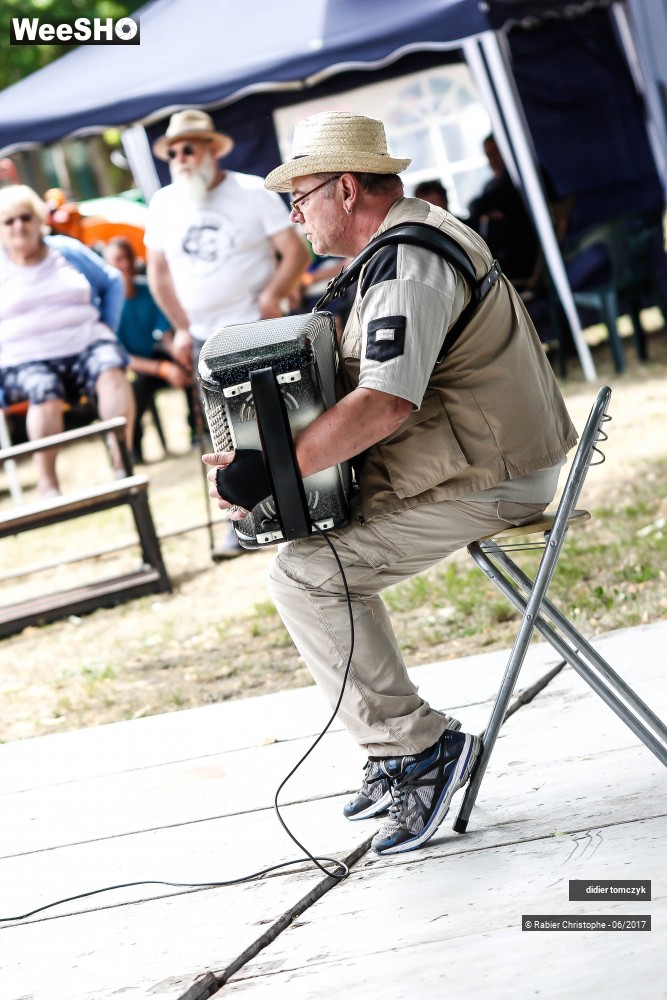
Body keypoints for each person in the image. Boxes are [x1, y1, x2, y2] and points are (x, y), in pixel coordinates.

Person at [203, 112, 577, 856]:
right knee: (310, 554)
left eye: (301, 197)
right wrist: (271, 461)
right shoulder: (402, 246)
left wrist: (266, 469)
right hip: (484, 459)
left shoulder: (408, 263)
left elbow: (384, 403)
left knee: (305, 572)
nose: (295, 216)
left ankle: (418, 750)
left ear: (346, 189)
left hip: (494, 475)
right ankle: (394, 747)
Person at [144, 109, 310, 554]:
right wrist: (181, 327)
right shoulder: (163, 203)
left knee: (279, 418)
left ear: (211, 149)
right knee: (223, 433)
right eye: (173, 152)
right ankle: (241, 521)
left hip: (255, 328)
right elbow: (158, 273)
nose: (179, 158)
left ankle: (303, 502)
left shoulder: (251, 191)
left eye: (188, 149)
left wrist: (274, 294)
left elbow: (295, 251)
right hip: (202, 337)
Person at [0, 184, 135, 497]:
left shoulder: (65, 250)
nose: (18, 226)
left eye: (25, 217)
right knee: (43, 388)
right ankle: (48, 484)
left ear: (39, 221)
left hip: (85, 344)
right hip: (25, 359)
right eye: (9, 221)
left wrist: (106, 327)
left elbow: (112, 280)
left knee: (110, 367)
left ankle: (122, 466)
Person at [103, 237, 196, 464]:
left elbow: (164, 333)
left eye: (127, 258)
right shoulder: (108, 304)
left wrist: (177, 355)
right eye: (117, 260)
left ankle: (197, 430)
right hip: (133, 367)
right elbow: (121, 356)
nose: (125, 265)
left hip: (155, 354)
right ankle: (133, 449)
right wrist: (164, 369)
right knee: (136, 386)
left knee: (189, 364)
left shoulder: (148, 290)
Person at [467, 134, 540, 286]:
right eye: (489, 155)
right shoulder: (491, 186)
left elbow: (482, 206)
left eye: (496, 152)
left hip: (524, 258)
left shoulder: (526, 179)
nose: (492, 159)